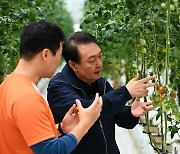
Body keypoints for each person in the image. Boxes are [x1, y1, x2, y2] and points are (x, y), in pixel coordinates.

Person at [0, 21, 103, 154]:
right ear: (46, 54)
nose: (59, 61)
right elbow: (52, 151)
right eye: (59, 54)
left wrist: (60, 128)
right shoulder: (27, 98)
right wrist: (85, 123)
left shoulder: (8, 86)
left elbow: (28, 139)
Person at [47, 31, 158, 154]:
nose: (99, 63)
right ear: (73, 65)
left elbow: (118, 117)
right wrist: (125, 92)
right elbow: (87, 111)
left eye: (100, 56)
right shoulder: (58, 87)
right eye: (91, 60)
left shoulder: (101, 84)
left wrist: (131, 112)